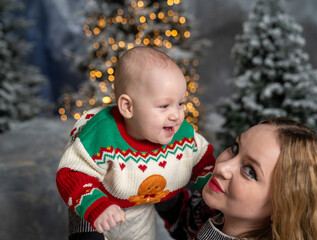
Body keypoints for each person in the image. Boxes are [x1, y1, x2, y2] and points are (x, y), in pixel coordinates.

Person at [56, 46, 215, 240]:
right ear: (128, 107)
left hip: (139, 205)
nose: (176, 115)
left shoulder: (183, 136)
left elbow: (204, 159)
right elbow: (71, 174)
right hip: (94, 204)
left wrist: (212, 186)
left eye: (180, 103)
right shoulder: (102, 135)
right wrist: (96, 206)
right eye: (164, 106)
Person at [158, 118, 317, 240]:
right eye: (235, 149)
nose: (223, 167)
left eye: (250, 171)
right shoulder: (210, 213)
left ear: (283, 207)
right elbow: (182, 216)